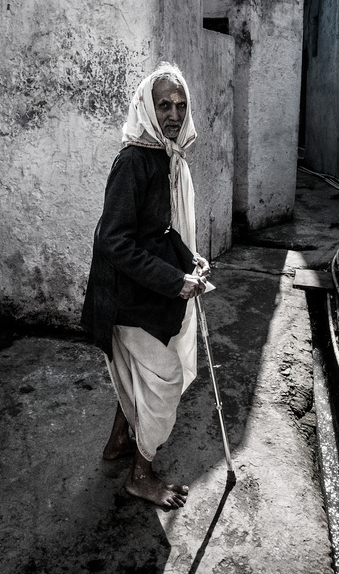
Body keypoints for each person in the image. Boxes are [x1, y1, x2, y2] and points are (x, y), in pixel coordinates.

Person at [81, 63, 210, 509]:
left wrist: (188, 260)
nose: (173, 113)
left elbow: (158, 231)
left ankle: (119, 442)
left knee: (140, 372)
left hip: (141, 293)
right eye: (164, 105)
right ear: (147, 108)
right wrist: (174, 281)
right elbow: (114, 239)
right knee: (165, 378)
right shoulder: (135, 159)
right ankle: (141, 473)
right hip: (123, 297)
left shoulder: (162, 155)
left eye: (180, 104)